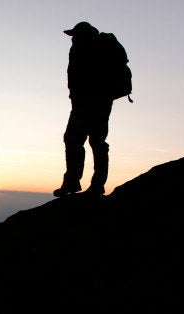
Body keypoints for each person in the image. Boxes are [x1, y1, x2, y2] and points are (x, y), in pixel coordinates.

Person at [53, 21, 124, 197]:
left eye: (75, 35)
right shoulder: (79, 49)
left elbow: (86, 78)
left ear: (83, 35)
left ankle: (89, 184)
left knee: (88, 141)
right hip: (86, 104)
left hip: (94, 103)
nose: (72, 39)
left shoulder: (94, 49)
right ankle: (77, 183)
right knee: (82, 140)